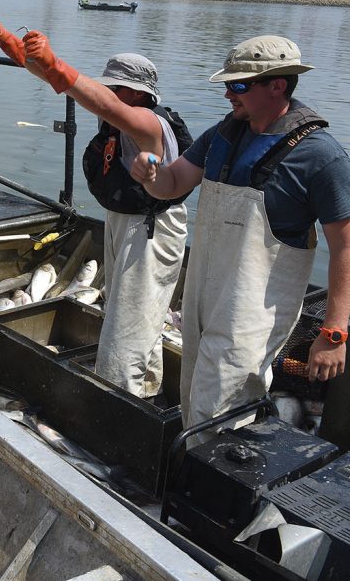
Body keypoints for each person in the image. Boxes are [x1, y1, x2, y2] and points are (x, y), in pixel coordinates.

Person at [128, 34, 350, 442]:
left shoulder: (321, 156)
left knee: (221, 411)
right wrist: (151, 174)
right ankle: (191, 479)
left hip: (251, 314)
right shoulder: (224, 134)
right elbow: (175, 182)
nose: (229, 93)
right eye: (229, 84)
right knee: (194, 394)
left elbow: (345, 246)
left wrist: (334, 332)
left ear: (278, 86)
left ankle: (214, 494)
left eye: (240, 85)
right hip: (202, 298)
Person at [0, 20, 191, 398]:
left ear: (140, 95)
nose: (108, 93)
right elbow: (65, 85)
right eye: (108, 86)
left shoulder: (148, 123)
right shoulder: (117, 114)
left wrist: (57, 63)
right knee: (132, 314)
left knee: (130, 321)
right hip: (123, 221)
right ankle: (146, 388)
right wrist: (10, 44)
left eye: (117, 88)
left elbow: (96, 98)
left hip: (151, 228)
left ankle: (118, 400)